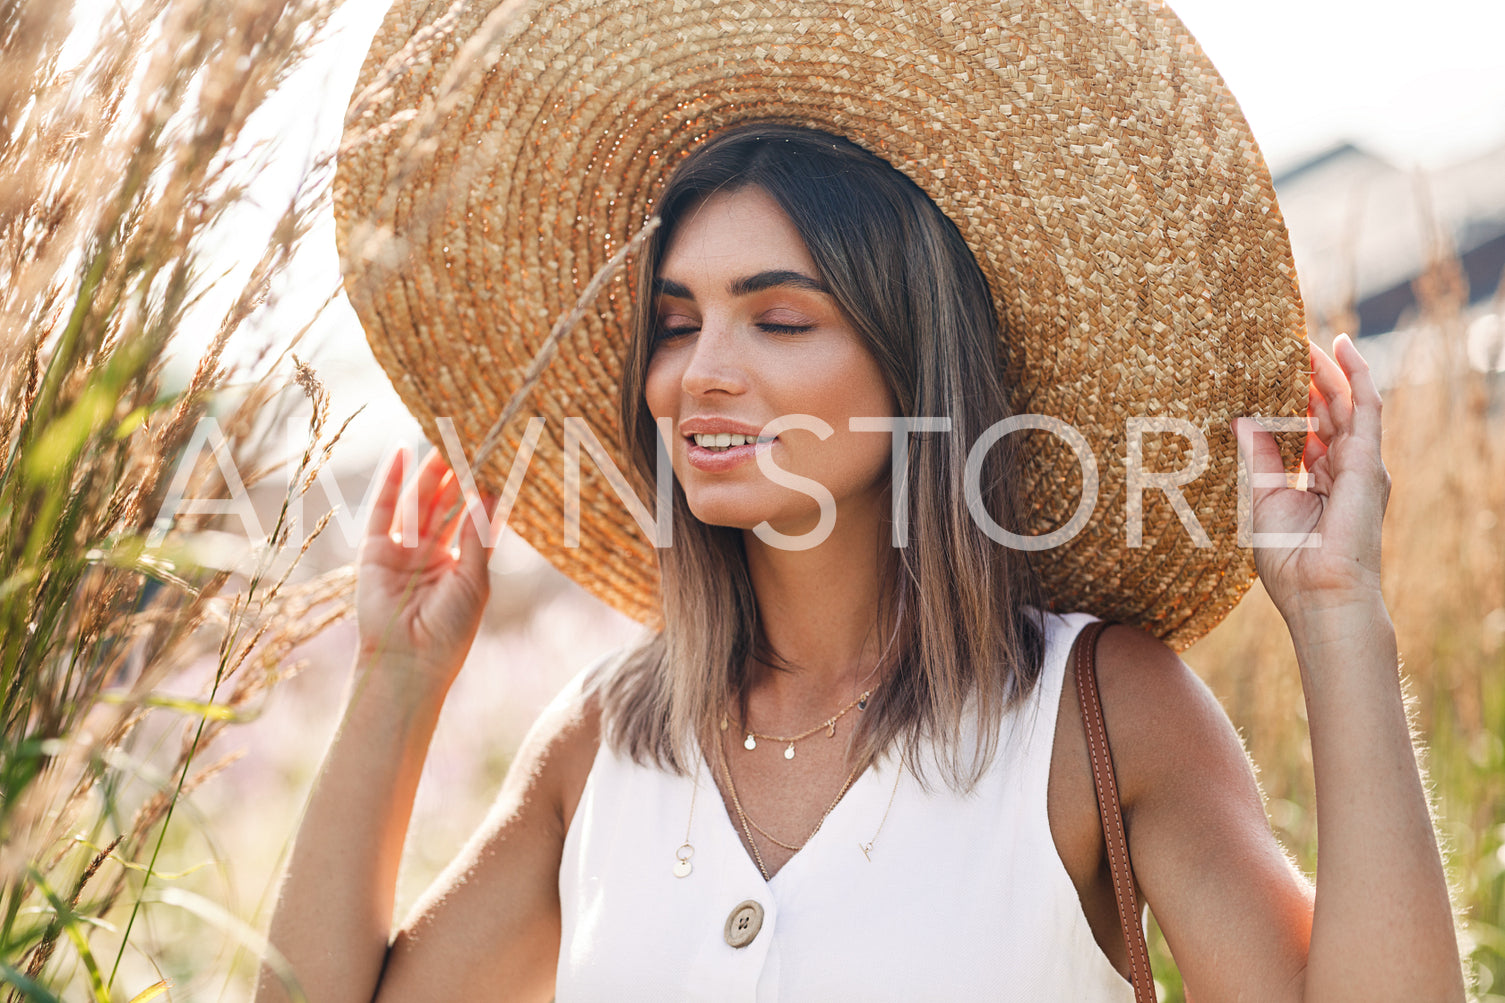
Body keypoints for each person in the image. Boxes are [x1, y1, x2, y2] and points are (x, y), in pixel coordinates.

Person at [257, 2, 1464, 1001]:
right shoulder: (609, 735)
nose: (698, 371)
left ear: (911, 363)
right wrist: (396, 685)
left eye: (778, 318)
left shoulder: (1097, 707)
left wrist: (1337, 615)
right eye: (674, 325)